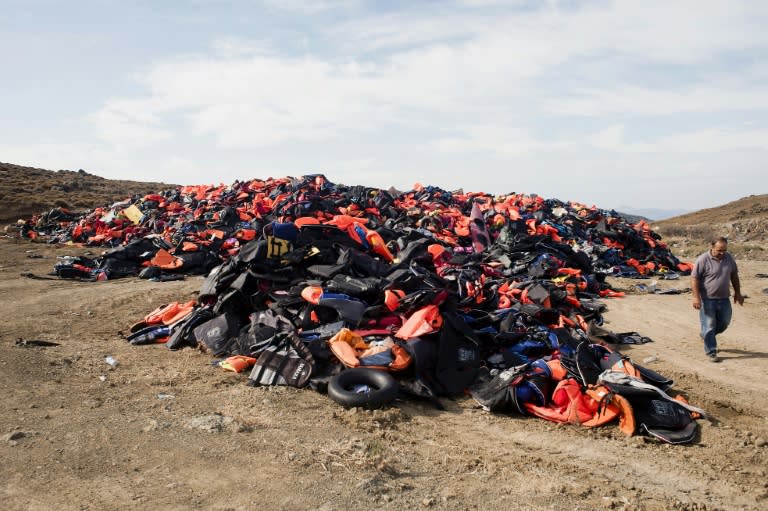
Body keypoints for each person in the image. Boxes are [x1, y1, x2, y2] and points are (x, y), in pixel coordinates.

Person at [691, 237, 744, 362]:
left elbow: (734, 276)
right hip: (707, 299)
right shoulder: (703, 259)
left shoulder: (729, 258)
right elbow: (694, 279)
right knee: (709, 325)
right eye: (719, 250)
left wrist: (738, 293)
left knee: (724, 323)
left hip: (724, 298)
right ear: (712, 247)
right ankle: (711, 351)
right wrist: (696, 297)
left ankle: (705, 335)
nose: (722, 253)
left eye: (724, 250)